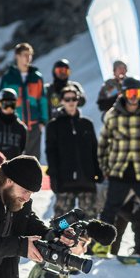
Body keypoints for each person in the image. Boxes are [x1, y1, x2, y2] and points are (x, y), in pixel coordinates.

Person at [97, 83, 140, 252]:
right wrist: (105, 167)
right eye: (130, 92)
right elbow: (103, 144)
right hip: (120, 172)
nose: (134, 96)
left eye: (137, 92)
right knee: (109, 210)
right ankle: (101, 246)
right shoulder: (113, 115)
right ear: (124, 94)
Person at [47, 86, 102, 216]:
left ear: (78, 100)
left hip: (87, 180)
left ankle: (87, 237)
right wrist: (54, 176)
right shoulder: (54, 125)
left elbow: (94, 149)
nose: (71, 102)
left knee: (90, 221)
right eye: (67, 99)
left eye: (74, 98)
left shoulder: (86, 123)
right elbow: (51, 152)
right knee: (62, 222)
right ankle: (59, 237)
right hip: (65, 180)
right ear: (62, 101)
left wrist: (98, 171)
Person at [0, 43, 48, 157]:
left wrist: (43, 121)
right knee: (14, 158)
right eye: (25, 55)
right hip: (14, 124)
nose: (28, 58)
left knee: (33, 159)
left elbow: (43, 100)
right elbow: (1, 100)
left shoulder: (36, 76)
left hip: (34, 125)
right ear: (17, 56)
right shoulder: (8, 77)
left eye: (30, 55)